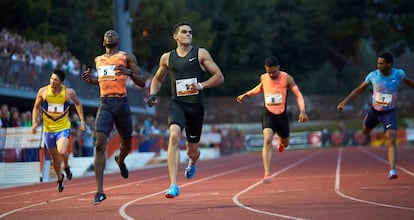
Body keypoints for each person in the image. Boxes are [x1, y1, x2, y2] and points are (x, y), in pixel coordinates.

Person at [147, 22, 224, 198]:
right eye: (184, 32)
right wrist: (152, 94)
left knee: (192, 151)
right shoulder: (167, 57)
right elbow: (157, 79)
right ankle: (173, 185)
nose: (188, 34)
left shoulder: (200, 54)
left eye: (190, 32)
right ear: (176, 36)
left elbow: (219, 76)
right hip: (177, 105)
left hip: (195, 108)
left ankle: (193, 161)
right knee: (173, 136)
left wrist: (201, 85)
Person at [81, 29, 146, 204]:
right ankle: (99, 191)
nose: (109, 35)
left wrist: (129, 73)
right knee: (99, 144)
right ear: (103, 42)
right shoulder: (98, 60)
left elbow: (143, 81)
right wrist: (91, 81)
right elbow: (104, 81)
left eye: (113, 34)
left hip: (122, 103)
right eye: (106, 35)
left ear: (118, 41)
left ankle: (120, 159)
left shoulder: (126, 56)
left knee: (127, 145)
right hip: (105, 104)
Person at [337, 52, 414, 180]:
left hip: (388, 113)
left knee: (392, 138)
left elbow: (409, 82)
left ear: (389, 65)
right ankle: (370, 125)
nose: (378, 65)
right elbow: (359, 89)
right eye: (378, 63)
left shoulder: (398, 74)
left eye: (381, 63)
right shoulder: (373, 76)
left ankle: (392, 170)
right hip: (374, 111)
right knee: (365, 131)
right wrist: (345, 101)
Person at [236, 56, 308, 184]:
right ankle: (267, 173)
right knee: (267, 139)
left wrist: (302, 111)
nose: (271, 74)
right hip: (268, 113)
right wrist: (246, 94)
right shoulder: (264, 77)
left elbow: (298, 94)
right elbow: (259, 88)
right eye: (268, 72)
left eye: (273, 72)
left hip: (282, 115)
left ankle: (281, 143)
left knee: (285, 143)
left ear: (278, 68)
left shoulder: (287, 78)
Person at [32, 69, 86, 192]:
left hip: (63, 127)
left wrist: (82, 120)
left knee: (62, 150)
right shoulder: (43, 91)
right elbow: (36, 107)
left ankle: (66, 166)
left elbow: (78, 104)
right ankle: (59, 177)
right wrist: (35, 122)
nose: (52, 81)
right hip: (48, 129)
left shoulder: (68, 92)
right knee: (54, 159)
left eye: (55, 80)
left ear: (61, 82)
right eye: (51, 79)